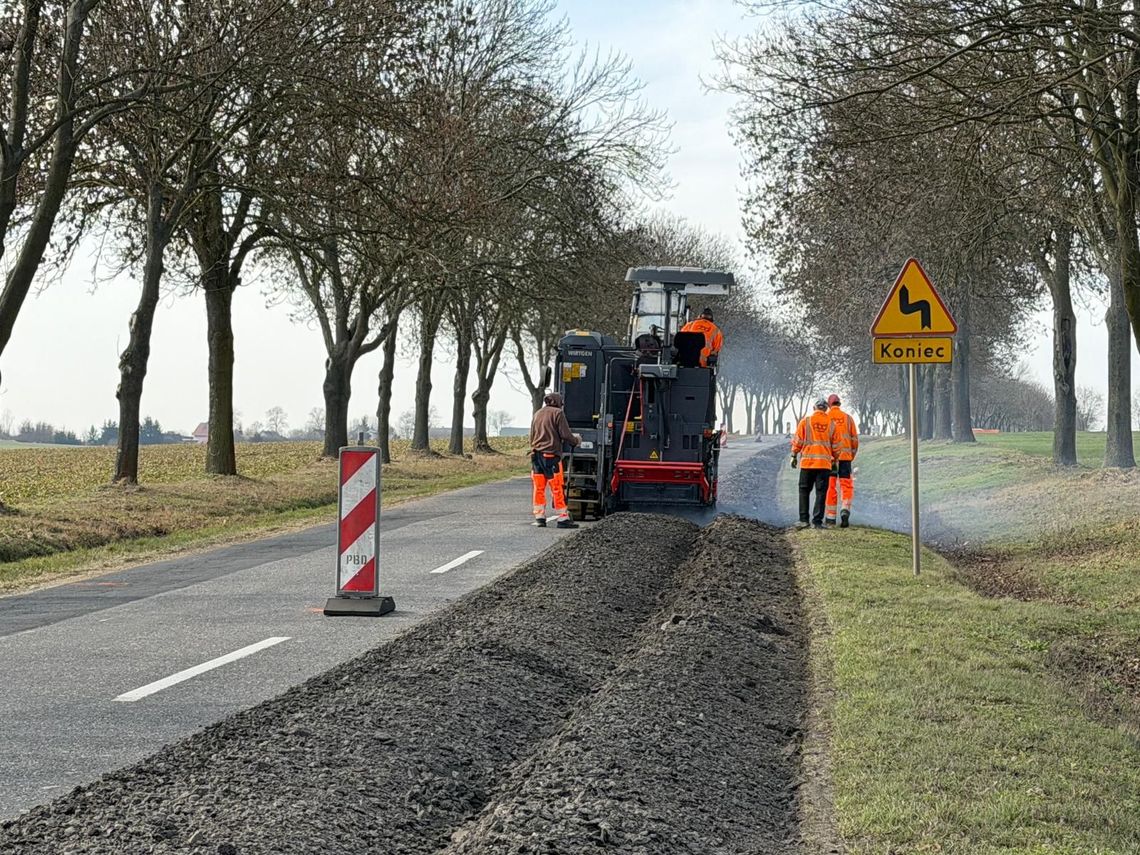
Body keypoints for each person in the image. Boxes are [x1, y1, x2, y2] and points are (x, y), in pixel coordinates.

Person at [529, 392, 581, 529]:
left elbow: (532, 435)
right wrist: (575, 441)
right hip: (551, 457)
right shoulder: (558, 413)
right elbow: (565, 434)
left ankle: (539, 516)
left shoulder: (538, 413)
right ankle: (563, 517)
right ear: (558, 402)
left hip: (536, 456)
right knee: (557, 487)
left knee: (538, 487)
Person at [790, 398, 838, 529]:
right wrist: (834, 461)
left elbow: (798, 440)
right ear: (826, 409)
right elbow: (836, 446)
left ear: (814, 408)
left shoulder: (805, 422)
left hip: (808, 463)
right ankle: (817, 522)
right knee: (821, 493)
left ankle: (803, 520)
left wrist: (794, 454)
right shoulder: (832, 424)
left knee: (804, 491)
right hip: (824, 465)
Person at [824, 394, 859, 528]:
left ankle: (830, 518)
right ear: (839, 404)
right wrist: (851, 455)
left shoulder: (826, 418)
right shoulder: (848, 419)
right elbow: (855, 440)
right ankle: (845, 510)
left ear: (829, 405)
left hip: (831, 459)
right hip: (845, 458)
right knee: (846, 485)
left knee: (830, 486)